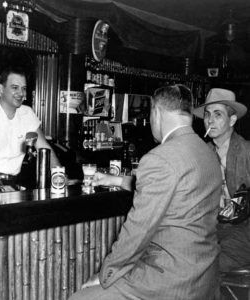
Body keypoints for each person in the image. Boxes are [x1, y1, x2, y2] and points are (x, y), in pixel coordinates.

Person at [69, 84, 222, 300]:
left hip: (168, 282)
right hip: (205, 279)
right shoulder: (209, 154)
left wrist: (106, 275)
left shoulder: (159, 158)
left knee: (80, 298)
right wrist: (114, 179)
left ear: (157, 112)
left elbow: (138, 231)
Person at [0, 66, 60, 191]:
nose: (21, 93)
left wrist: (60, 176)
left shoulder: (27, 113)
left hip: (12, 181)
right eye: (15, 88)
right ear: (1, 89)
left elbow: (44, 148)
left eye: (24, 88)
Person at [193, 87, 250, 272]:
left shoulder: (246, 152)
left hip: (243, 232)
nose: (210, 120)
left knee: (204, 269)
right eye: (207, 114)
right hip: (211, 231)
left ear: (232, 120)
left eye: (218, 114)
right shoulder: (202, 153)